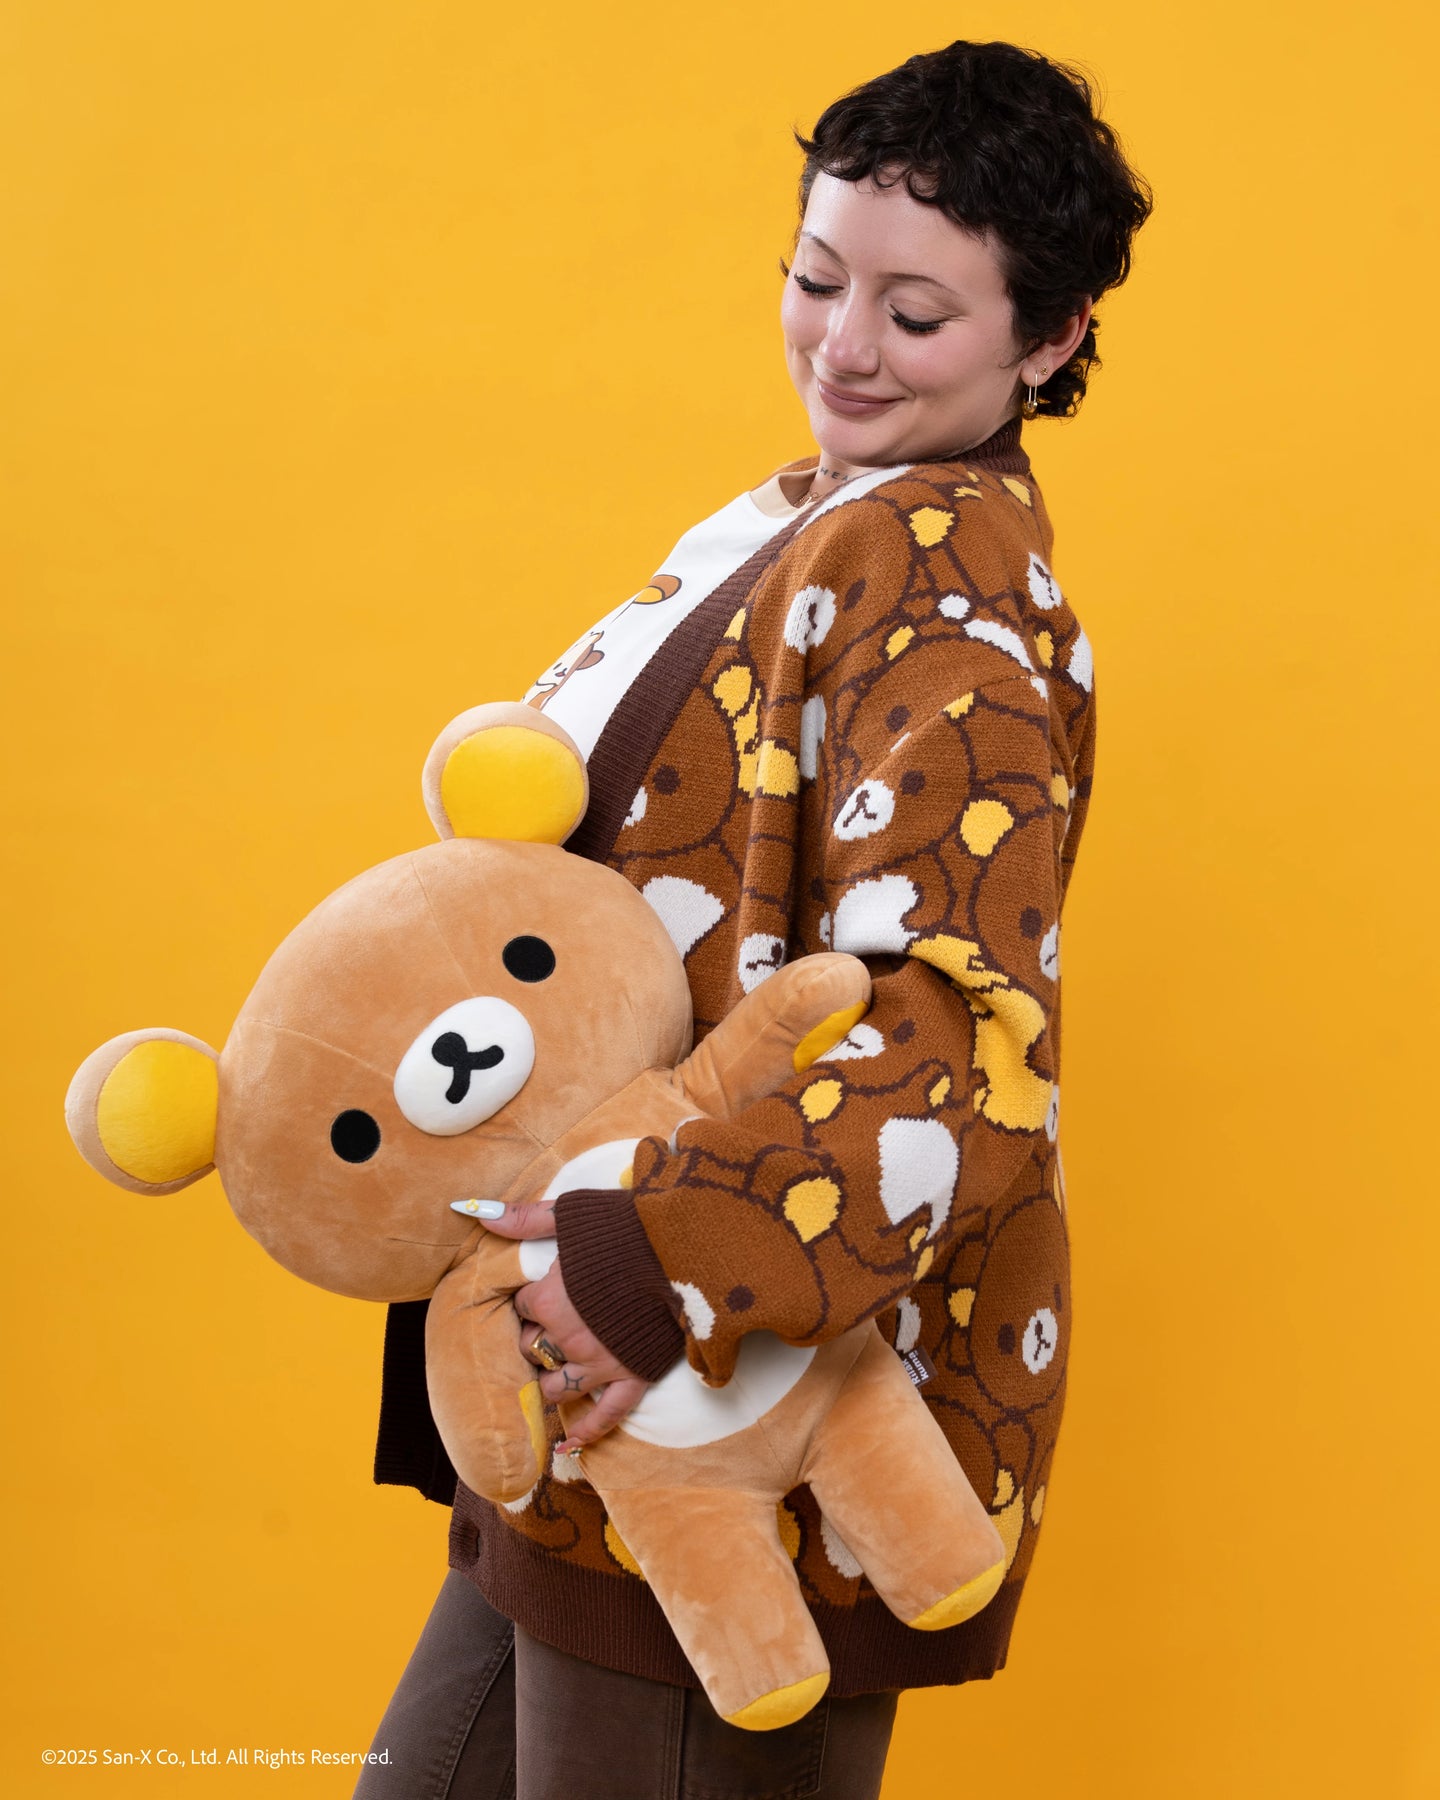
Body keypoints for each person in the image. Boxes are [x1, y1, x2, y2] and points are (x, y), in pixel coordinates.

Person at [357, 38, 1151, 1800]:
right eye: (816, 277)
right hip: (606, 1382)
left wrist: (650, 1277)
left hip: (741, 1409)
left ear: (1048, 340)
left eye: (915, 313)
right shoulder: (818, 515)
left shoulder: (942, 582)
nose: (843, 345)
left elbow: (957, 1035)